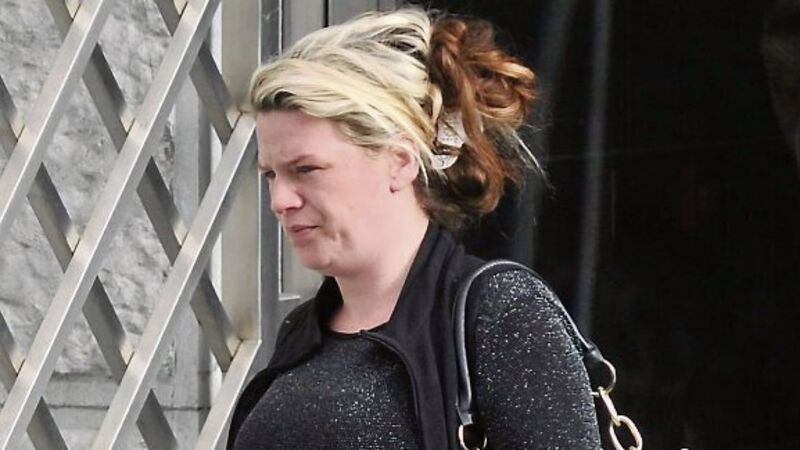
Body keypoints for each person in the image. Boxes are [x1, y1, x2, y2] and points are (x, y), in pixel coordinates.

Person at [228, 7, 601, 449]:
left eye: (306, 169)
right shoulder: (302, 331)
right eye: (271, 175)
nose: (280, 201)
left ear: (400, 162)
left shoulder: (501, 313)